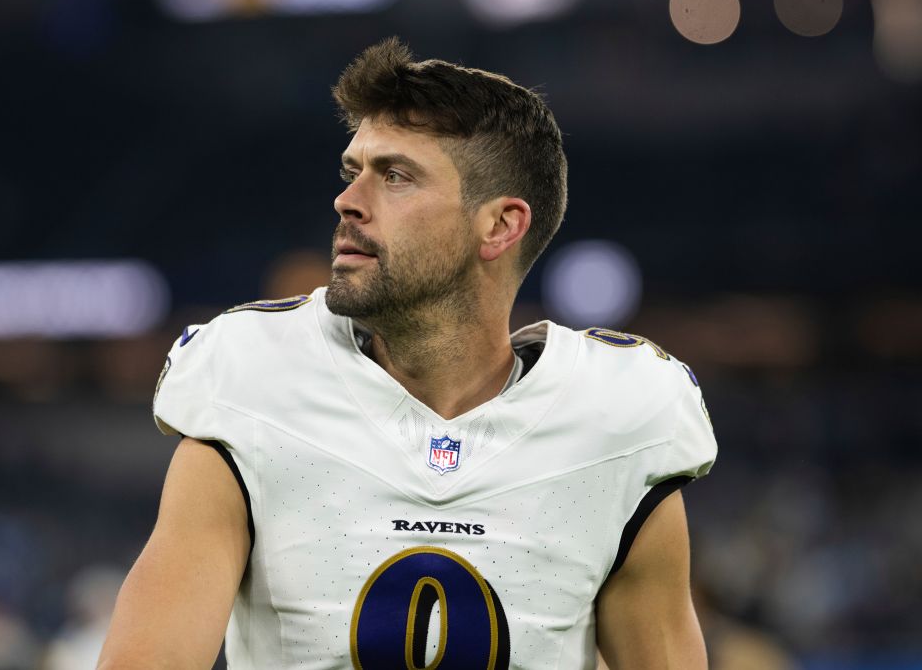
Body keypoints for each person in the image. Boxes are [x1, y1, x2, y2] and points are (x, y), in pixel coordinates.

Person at [98, 37, 717, 670]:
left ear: (500, 226)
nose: (348, 200)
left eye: (395, 176)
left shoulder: (619, 419)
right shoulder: (251, 381)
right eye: (353, 171)